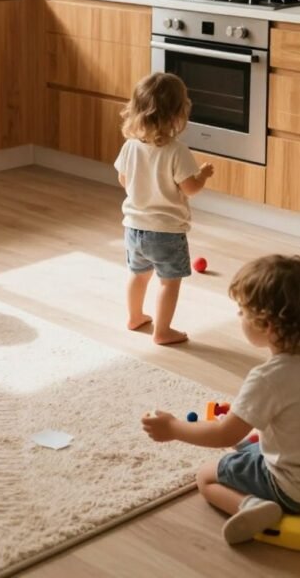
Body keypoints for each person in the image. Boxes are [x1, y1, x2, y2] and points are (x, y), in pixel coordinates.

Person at [142, 254, 300, 545]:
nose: (239, 317)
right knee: (255, 440)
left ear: (266, 325)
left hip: (290, 489)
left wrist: (174, 427)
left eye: (242, 311)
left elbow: (223, 433)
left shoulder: (268, 379)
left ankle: (252, 507)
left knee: (206, 476)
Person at [114, 72, 214, 345]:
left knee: (138, 275)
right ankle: (163, 331)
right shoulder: (177, 151)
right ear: (179, 114)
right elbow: (190, 189)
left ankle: (134, 316)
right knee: (169, 282)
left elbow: (124, 180)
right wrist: (203, 175)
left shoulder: (130, 147)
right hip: (167, 233)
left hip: (134, 228)